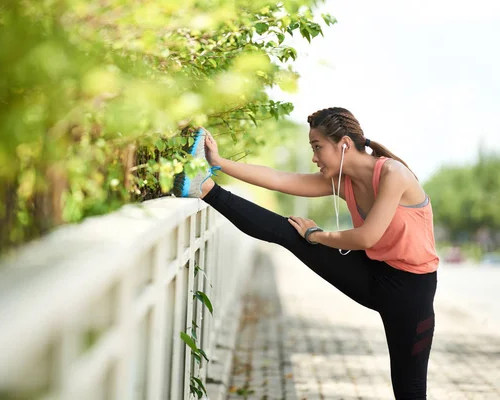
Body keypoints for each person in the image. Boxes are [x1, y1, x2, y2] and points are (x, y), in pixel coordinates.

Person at [174, 107, 439, 400]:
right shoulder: (342, 180)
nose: (314, 157)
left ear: (344, 145)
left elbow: (367, 236)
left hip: (411, 292)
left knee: (409, 390)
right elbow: (279, 179)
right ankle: (206, 188)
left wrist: (318, 235)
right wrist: (218, 162)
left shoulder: (393, 174)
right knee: (289, 232)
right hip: (373, 273)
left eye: (317, 147)